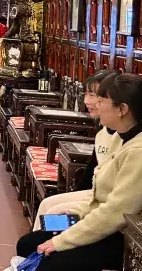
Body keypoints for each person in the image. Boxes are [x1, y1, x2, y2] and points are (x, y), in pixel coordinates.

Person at [15, 73, 142, 271]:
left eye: (101, 101)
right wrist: (77, 213)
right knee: (28, 244)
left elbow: (116, 213)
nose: (95, 106)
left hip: (138, 239)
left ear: (122, 109)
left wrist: (62, 242)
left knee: (49, 263)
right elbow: (104, 198)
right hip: (118, 226)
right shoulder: (122, 137)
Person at [30, 70, 118, 231]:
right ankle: (39, 243)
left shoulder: (133, 141)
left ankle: (48, 241)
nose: (87, 101)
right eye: (87, 95)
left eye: (95, 97)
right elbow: (92, 170)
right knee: (47, 206)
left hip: (109, 205)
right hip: (94, 195)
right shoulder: (103, 132)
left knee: (54, 213)